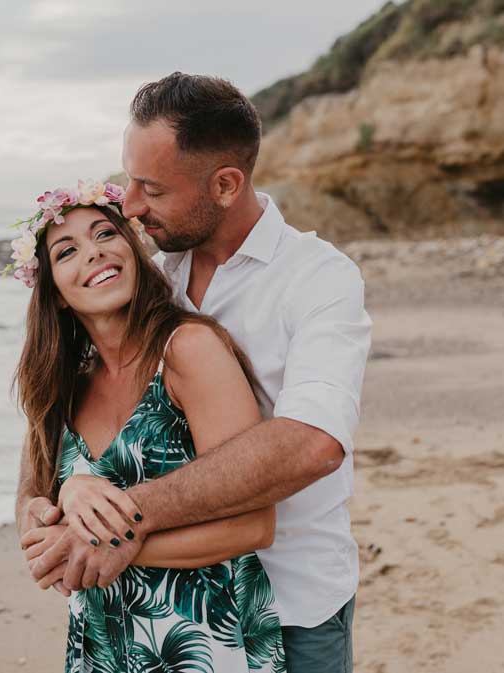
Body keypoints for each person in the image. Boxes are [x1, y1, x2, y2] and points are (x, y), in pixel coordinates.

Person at [22, 73, 372, 673]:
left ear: (225, 185)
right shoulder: (150, 276)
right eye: (128, 180)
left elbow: (313, 443)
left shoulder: (318, 279)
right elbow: (71, 429)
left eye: (151, 188)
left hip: (291, 600)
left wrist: (120, 523)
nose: (129, 206)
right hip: (154, 613)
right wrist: (55, 498)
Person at [10, 180, 286, 672]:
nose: (94, 253)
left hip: (205, 642)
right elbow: (33, 495)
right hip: (101, 648)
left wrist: (110, 546)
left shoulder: (187, 350)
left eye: (105, 234)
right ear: (54, 295)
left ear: (134, 249)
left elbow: (255, 524)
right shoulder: (61, 386)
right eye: (67, 250)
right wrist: (52, 505)